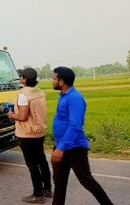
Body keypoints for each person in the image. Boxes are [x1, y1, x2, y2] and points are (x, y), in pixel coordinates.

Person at [51, 67, 113, 205]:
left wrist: (61, 148)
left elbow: (75, 125)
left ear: (61, 82)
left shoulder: (75, 98)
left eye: (54, 78)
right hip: (61, 146)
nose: (52, 81)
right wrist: (59, 146)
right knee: (59, 183)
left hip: (74, 148)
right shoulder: (63, 96)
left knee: (87, 181)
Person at [7, 68, 52, 204]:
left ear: (24, 79)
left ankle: (37, 195)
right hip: (39, 131)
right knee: (42, 161)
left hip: (27, 134)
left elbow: (22, 116)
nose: (20, 78)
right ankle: (48, 189)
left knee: (32, 164)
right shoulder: (40, 92)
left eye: (21, 76)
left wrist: (11, 115)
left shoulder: (23, 95)